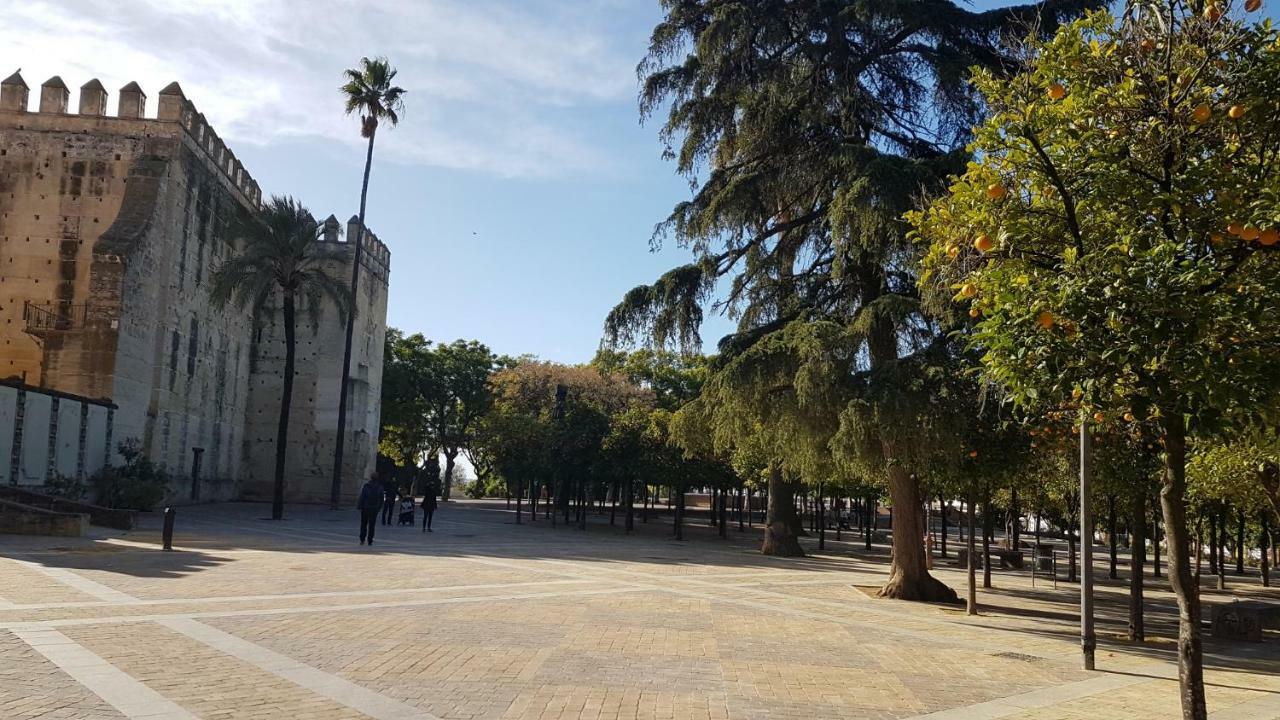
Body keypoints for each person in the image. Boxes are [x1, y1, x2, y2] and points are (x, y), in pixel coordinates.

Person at [357, 474, 383, 545]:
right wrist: (379, 507)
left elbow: (362, 496)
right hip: (374, 508)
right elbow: (381, 499)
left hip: (365, 507)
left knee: (363, 524)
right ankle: (370, 540)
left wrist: (359, 506)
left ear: (371, 478)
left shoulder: (366, 486)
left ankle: (362, 539)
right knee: (372, 525)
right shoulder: (380, 487)